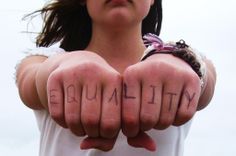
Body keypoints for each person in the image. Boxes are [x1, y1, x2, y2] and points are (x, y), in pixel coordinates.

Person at [16, 0, 216, 155]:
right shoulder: (43, 60)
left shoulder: (188, 62)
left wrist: (184, 62)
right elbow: (30, 81)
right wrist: (60, 66)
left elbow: (206, 81)